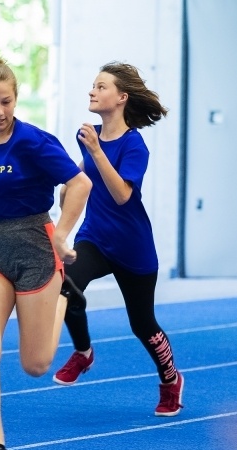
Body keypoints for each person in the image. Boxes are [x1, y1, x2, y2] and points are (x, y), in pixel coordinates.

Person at [0, 56, 92, 450]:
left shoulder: (34, 142)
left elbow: (80, 183)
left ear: (16, 100)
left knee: (35, 365)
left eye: (7, 102)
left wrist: (63, 235)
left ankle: (65, 297)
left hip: (37, 245)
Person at [51, 62, 184, 417]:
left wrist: (96, 151)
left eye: (100, 86)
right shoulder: (89, 136)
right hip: (95, 238)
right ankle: (83, 352)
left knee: (142, 324)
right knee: (66, 285)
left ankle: (170, 380)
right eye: (92, 86)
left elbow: (123, 194)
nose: (92, 91)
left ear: (121, 97)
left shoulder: (134, 145)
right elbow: (83, 182)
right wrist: (68, 187)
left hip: (133, 247)